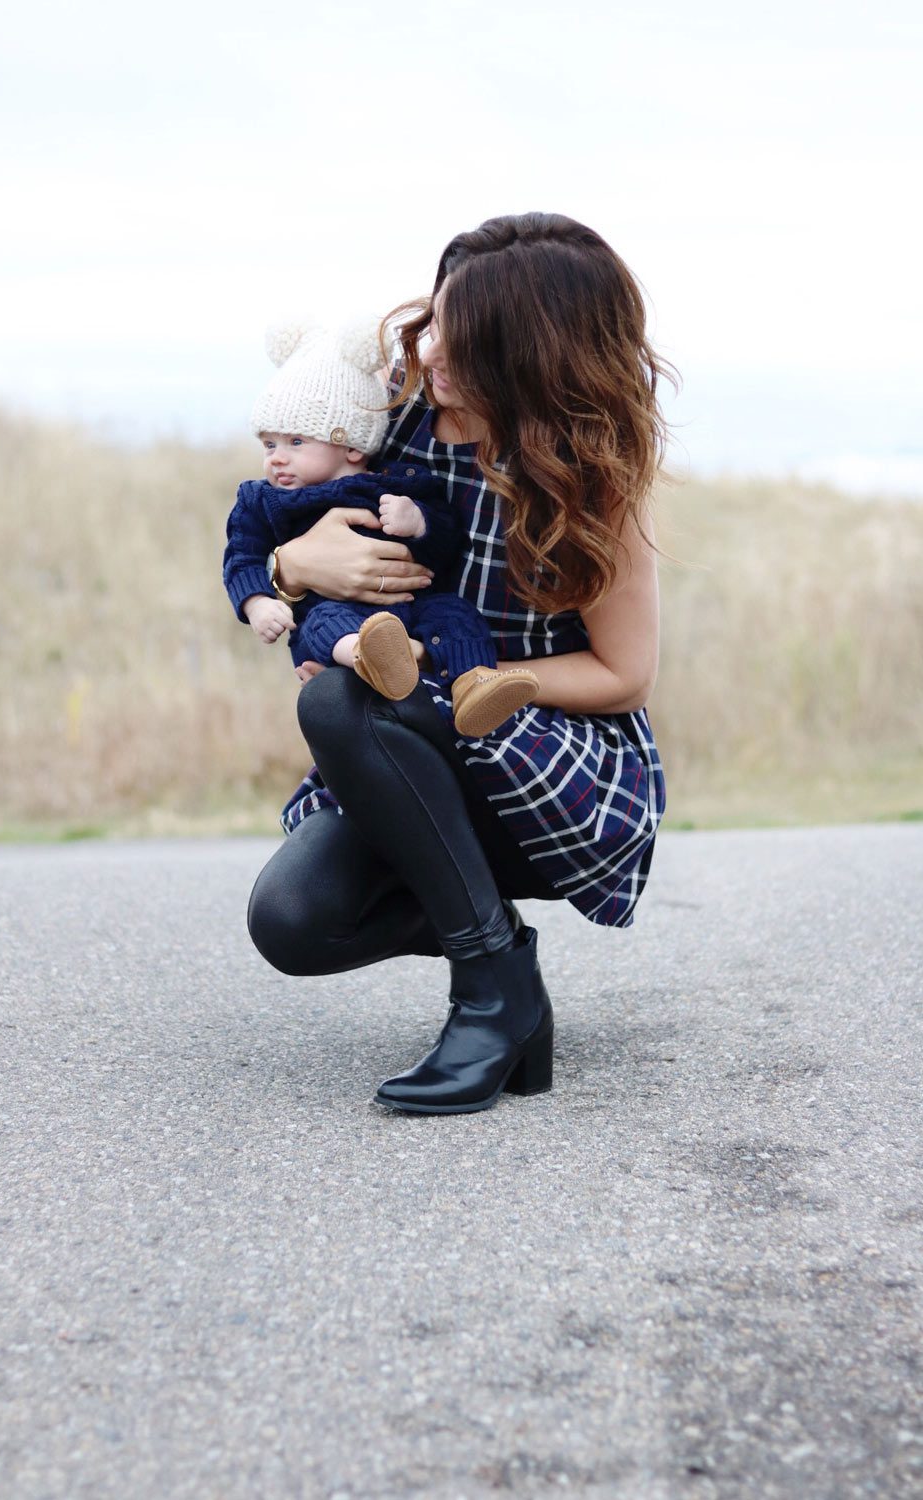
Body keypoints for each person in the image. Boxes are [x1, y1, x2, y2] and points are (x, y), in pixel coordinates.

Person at [246, 213, 671, 1115]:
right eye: (435, 317)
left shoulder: (586, 478)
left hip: (545, 766)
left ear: (530, 353)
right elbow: (270, 526)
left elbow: (625, 675)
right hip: (407, 758)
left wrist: (470, 689)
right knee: (293, 920)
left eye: (461, 335)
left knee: (339, 709)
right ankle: (502, 967)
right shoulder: (392, 423)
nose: (431, 347)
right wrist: (295, 567)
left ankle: (490, 1001)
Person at [223, 322, 539, 738]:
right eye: (269, 445)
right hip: (332, 612)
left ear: (352, 446)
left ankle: (473, 687)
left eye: (296, 442)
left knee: (456, 616)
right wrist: (257, 604)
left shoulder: (396, 484)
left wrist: (419, 522)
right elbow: (241, 557)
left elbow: (446, 542)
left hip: (414, 607)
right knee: (325, 623)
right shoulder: (262, 500)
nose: (277, 459)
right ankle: (368, 660)